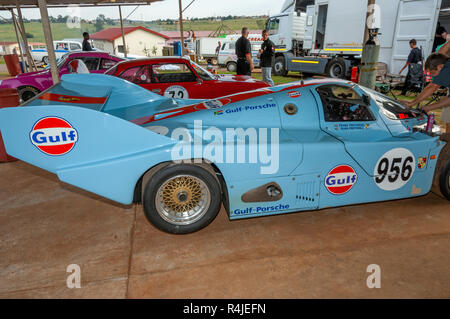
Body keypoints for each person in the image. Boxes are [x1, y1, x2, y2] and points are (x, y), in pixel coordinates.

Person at [403, 53, 450, 133]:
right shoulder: (446, 65)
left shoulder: (447, 69)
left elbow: (433, 87)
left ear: (440, 67)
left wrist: (414, 104)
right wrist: (415, 104)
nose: (433, 77)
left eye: (433, 73)